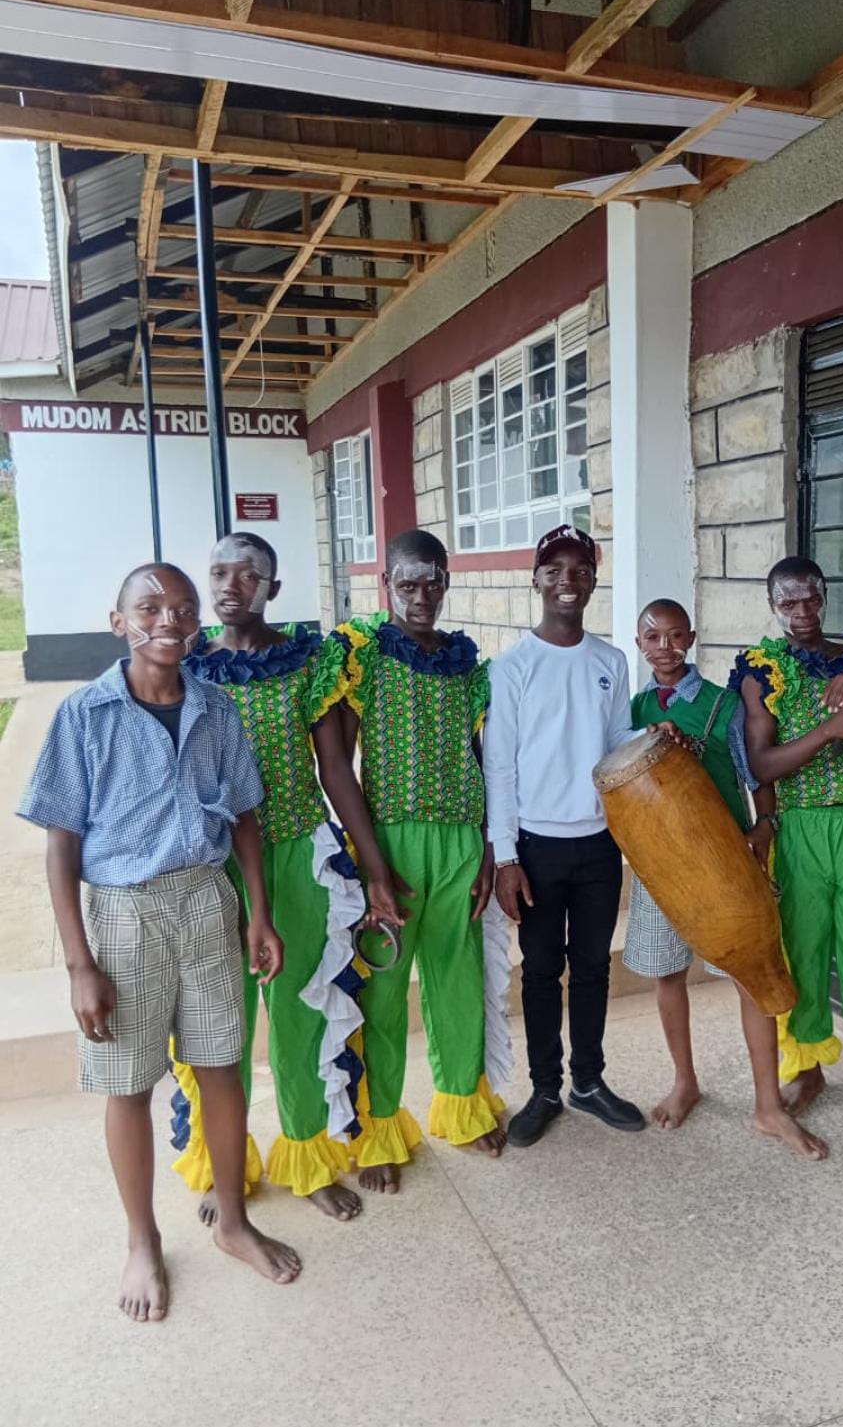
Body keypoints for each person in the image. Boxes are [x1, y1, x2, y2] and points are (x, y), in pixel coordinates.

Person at [17, 562, 301, 1324]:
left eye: (182, 607)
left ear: (198, 621)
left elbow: (244, 814)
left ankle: (233, 1222)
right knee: (130, 1081)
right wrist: (80, 963)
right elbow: (61, 845)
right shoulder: (85, 715)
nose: (167, 619)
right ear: (119, 621)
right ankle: (141, 1239)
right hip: (124, 916)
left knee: (221, 1066)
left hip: (207, 904)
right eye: (149, 607)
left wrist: (258, 913)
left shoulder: (216, 709)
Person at [172, 533, 404, 1223]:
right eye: (219, 572)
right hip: (212, 865)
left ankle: (308, 1154)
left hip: (298, 857)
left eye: (249, 574)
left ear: (273, 587)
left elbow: (336, 771)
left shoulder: (308, 662)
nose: (231, 585)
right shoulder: (188, 665)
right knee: (221, 1023)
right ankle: (224, 1162)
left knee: (301, 1015)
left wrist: (377, 870)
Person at [312, 529, 507, 1194]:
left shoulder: (463, 662)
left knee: (459, 981)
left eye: (433, 582)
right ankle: (378, 1128)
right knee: (385, 993)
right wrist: (371, 867)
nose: (421, 596)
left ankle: (461, 1104)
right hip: (388, 840)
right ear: (385, 584)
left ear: (447, 582)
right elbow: (336, 765)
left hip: (459, 840)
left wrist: (484, 847)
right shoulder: (360, 653)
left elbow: (482, 759)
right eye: (408, 583)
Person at [625, 598, 828, 1157]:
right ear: (640, 644)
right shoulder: (633, 706)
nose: (664, 647)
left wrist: (765, 824)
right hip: (658, 858)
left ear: (690, 639)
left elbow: (752, 771)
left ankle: (767, 1104)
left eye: (674, 636)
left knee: (748, 972)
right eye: (652, 638)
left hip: (723, 855)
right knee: (668, 972)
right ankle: (685, 1080)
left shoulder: (721, 704)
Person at [734, 556, 843, 1132]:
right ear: (772, 606)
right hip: (801, 827)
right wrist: (830, 729)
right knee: (803, 955)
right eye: (788, 602)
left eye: (811, 598)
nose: (802, 611)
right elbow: (761, 763)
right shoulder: (764, 670)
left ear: (825, 596)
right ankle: (807, 1069)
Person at [485, 524, 646, 1147]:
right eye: (554, 569)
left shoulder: (610, 661)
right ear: (536, 580)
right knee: (542, 969)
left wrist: (652, 743)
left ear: (593, 579)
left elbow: (613, 745)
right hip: (536, 846)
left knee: (592, 971)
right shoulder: (514, 667)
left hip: (599, 844)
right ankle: (545, 1088)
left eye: (579, 569)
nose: (567, 580)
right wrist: (505, 858)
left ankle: (588, 1081)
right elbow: (499, 766)